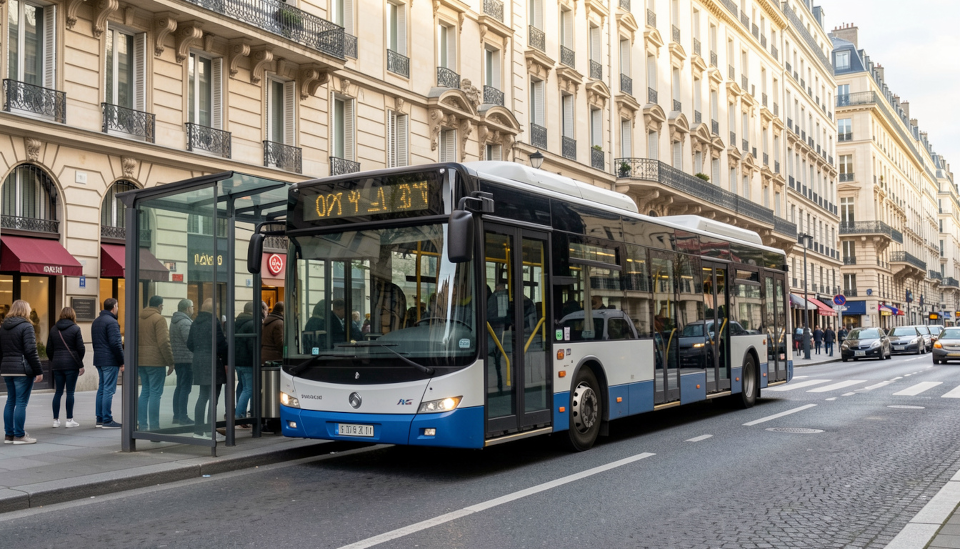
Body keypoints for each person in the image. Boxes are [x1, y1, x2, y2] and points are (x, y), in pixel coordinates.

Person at [1, 300, 43, 444]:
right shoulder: (27, 326)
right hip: (22, 370)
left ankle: (9, 435)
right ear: (25, 310)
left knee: (10, 401)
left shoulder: (3, 326)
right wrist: (38, 370)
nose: (30, 310)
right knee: (21, 402)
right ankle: (19, 435)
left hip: (7, 369)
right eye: (29, 308)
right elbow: (31, 350)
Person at [187, 299, 228, 441]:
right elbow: (221, 344)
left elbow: (190, 343)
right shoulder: (214, 322)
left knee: (203, 396)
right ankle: (210, 431)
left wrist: (200, 352)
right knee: (213, 397)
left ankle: (198, 431)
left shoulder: (195, 322)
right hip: (213, 362)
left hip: (199, 361)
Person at [138, 296, 174, 431]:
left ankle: (142, 425)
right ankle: (154, 427)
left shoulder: (139, 318)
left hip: (141, 360)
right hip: (156, 362)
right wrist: (170, 362)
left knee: (145, 391)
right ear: (160, 306)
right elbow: (164, 342)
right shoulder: (159, 319)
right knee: (155, 393)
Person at [47, 307, 85, 428]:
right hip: (71, 365)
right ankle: (69, 420)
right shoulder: (75, 328)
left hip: (57, 364)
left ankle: (55, 420)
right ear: (73, 315)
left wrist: (55, 359)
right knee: (70, 392)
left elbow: (49, 349)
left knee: (58, 392)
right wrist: (79, 362)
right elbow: (81, 348)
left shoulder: (54, 329)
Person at [92, 298, 124, 429]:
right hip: (110, 360)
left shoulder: (96, 321)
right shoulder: (112, 322)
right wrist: (122, 361)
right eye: (117, 306)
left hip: (99, 359)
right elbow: (115, 343)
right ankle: (107, 419)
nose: (118, 309)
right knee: (108, 390)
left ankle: (100, 419)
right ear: (114, 307)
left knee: (102, 389)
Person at [170, 299, 194, 426]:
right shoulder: (185, 322)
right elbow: (189, 340)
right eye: (192, 307)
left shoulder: (175, 321)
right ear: (187, 308)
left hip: (178, 359)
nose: (193, 309)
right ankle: (183, 417)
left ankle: (177, 416)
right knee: (185, 388)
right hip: (187, 359)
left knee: (179, 387)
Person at [234, 302, 257, 425]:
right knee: (248, 389)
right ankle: (238, 416)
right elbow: (252, 345)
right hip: (247, 361)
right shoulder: (252, 323)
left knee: (242, 387)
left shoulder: (237, 322)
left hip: (237, 361)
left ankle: (241, 415)